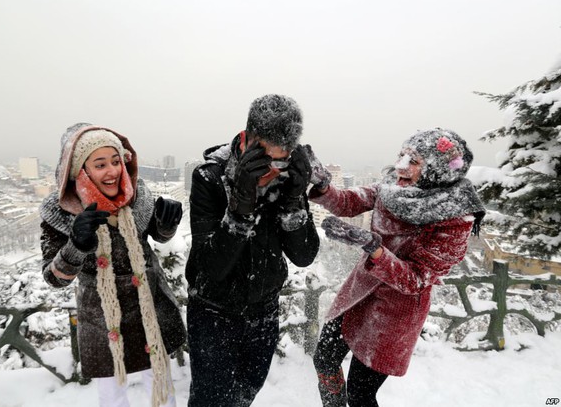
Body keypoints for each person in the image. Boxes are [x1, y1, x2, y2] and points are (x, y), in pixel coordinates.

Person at [307, 128, 485, 407]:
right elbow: (348, 201)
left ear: (436, 171)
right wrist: (323, 186)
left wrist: (373, 247)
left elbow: (416, 279)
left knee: (360, 393)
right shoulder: (392, 187)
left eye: (413, 161)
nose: (401, 165)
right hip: (358, 295)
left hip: (395, 313)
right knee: (325, 359)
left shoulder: (455, 216)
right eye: (401, 155)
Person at [185, 94, 321, 406]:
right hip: (213, 312)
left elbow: (304, 255)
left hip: (264, 311)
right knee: (211, 400)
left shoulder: (287, 177)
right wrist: (241, 206)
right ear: (248, 139)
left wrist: (293, 199)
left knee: (245, 395)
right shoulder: (210, 177)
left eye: (283, 160)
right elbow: (212, 266)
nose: (275, 169)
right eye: (269, 159)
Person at [40, 123, 186, 407]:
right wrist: (76, 245)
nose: (113, 171)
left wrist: (167, 224)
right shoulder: (59, 211)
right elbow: (54, 277)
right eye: (100, 164)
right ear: (80, 170)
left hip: (148, 308)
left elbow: (156, 234)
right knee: (111, 395)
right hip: (102, 316)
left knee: (160, 386)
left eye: (116, 161)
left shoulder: (137, 195)